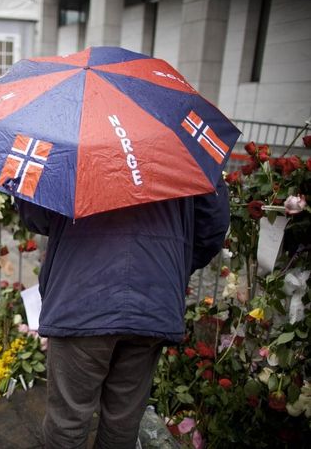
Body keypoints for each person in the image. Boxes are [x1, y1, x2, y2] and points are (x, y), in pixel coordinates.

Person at [15, 179, 230, 449]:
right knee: (122, 423)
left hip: (80, 296)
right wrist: (168, 263)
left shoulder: (73, 139)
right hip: (152, 299)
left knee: (67, 421)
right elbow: (212, 226)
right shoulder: (187, 144)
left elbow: (36, 214)